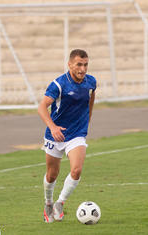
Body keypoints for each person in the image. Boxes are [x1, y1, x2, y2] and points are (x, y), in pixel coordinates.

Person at [38, 49, 96, 223]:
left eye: (85, 64)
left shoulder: (91, 82)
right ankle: (48, 202)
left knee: (76, 170)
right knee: (52, 175)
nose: (83, 69)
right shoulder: (58, 84)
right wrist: (53, 127)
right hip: (55, 135)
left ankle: (60, 202)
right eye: (79, 64)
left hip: (77, 134)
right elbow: (42, 108)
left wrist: (88, 120)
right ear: (70, 64)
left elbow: (91, 99)